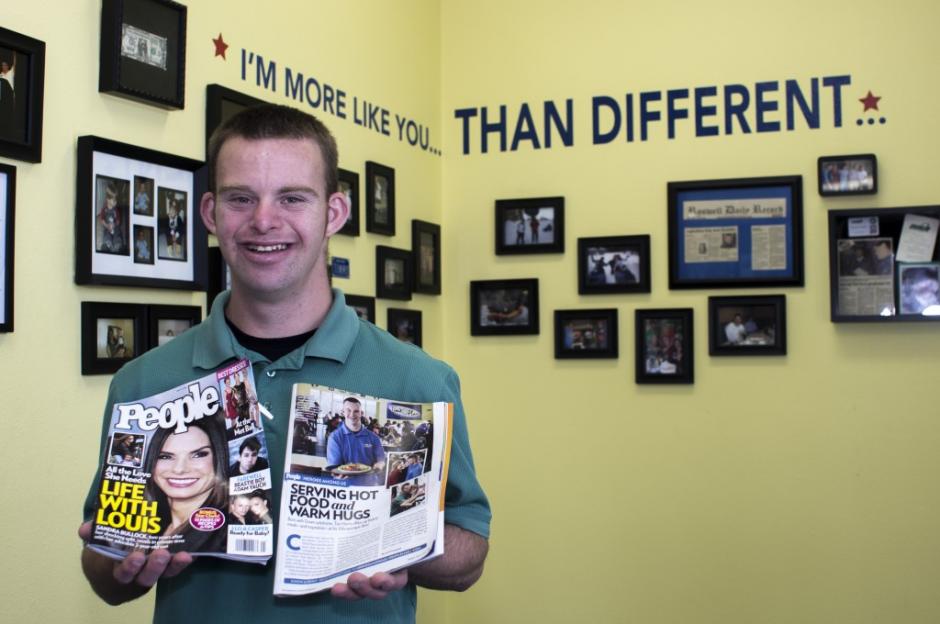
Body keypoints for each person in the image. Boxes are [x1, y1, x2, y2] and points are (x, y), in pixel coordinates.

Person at [80, 104, 490, 621]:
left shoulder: (418, 378)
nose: (263, 221)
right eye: (241, 199)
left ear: (333, 214)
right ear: (210, 214)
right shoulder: (143, 381)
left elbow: (469, 551)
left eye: (292, 198)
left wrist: (393, 543)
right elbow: (105, 577)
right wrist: (121, 562)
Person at [144, 418, 229, 553]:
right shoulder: (147, 527)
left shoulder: (227, 534)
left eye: (199, 454)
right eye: (165, 456)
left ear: (220, 456)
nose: (179, 469)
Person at [325, 396, 386, 484]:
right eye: (348, 410)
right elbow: (335, 466)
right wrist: (337, 474)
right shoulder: (335, 437)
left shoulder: (374, 437)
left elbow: (381, 460)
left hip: (369, 485)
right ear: (343, 412)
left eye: (356, 411)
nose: (352, 414)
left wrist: (379, 465)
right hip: (345, 485)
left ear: (361, 413)